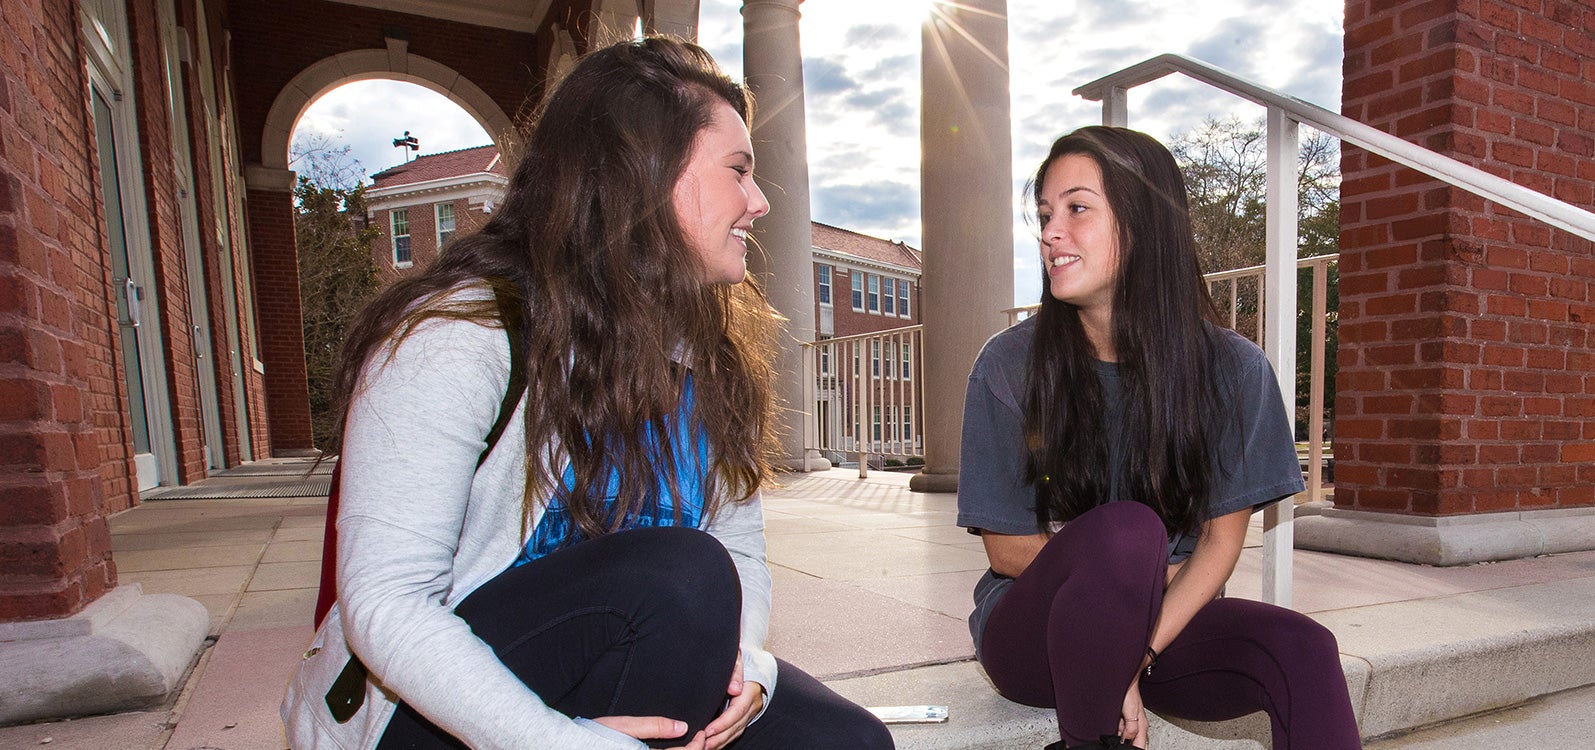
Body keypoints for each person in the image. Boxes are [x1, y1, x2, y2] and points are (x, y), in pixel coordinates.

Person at [281, 38, 893, 750]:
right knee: (678, 577)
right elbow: (385, 606)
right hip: (439, 706)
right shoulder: (459, 335)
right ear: (646, 175)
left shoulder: (701, 353)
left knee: (850, 744)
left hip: (633, 658)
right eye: (738, 171)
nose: (758, 203)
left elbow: (741, 548)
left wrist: (749, 665)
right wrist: (559, 742)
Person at [955, 126, 1362, 750]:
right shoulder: (1010, 366)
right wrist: (1119, 589)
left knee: (1304, 648)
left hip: (1164, 630)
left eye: (1077, 208)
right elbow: (1008, 551)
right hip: (1034, 634)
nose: (1049, 232)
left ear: (1142, 225)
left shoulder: (1234, 370)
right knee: (1127, 532)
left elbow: (1221, 544)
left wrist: (1133, 651)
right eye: (1045, 214)